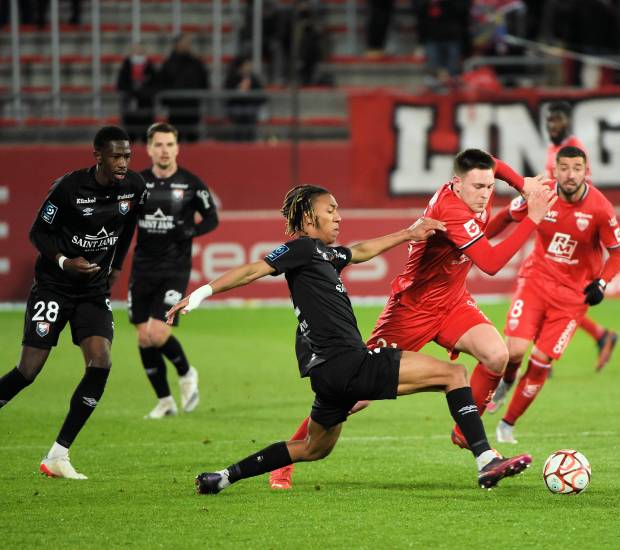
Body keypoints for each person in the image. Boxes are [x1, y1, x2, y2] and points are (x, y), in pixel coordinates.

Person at [166, 185, 534, 494]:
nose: (339, 216)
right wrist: (200, 293)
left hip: (328, 375)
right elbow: (253, 269)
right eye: (331, 210)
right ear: (310, 219)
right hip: (349, 363)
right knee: (453, 375)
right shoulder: (300, 249)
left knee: (312, 448)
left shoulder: (324, 255)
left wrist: (409, 233)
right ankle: (486, 460)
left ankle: (223, 477)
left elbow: (360, 251)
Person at [268, 149, 553, 490]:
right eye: (478, 187)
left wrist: (521, 188)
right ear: (457, 183)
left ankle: (466, 430)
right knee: (355, 395)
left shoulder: (478, 189)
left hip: (452, 301)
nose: (485, 193)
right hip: (411, 310)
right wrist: (531, 215)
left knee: (497, 355)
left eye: (490, 186)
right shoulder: (451, 208)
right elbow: (490, 263)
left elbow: (490, 168)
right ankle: (284, 463)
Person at [0, 126, 147, 479]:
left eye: (127, 155)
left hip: (93, 292)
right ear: (97, 156)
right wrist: (65, 261)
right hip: (53, 287)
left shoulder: (135, 187)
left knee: (101, 361)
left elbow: (128, 227)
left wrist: (117, 266)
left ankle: (58, 454)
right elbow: (38, 232)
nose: (123, 162)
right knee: (29, 370)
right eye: (116, 156)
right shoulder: (68, 188)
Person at [484, 145, 620, 442]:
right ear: (555, 170)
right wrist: (478, 240)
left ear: (587, 171)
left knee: (539, 362)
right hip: (536, 281)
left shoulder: (600, 208)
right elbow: (507, 217)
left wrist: (602, 282)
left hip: (572, 299)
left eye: (577, 168)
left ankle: (507, 424)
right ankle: (507, 381)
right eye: (565, 168)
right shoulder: (541, 194)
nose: (571, 174)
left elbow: (618, 254)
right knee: (515, 352)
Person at [131, 123, 219, 419]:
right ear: (149, 148)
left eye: (169, 144)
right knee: (143, 337)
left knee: (158, 332)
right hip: (142, 267)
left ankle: (186, 371)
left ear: (177, 148)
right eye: (159, 145)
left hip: (175, 269)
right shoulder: (137, 183)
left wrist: (190, 229)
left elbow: (212, 218)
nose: (164, 150)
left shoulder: (191, 184)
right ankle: (165, 401)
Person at [543, 101, 619, 373]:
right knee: (550, 291)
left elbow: (582, 191)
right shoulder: (553, 149)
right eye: (550, 120)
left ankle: (545, 354)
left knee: (559, 294)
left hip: (574, 228)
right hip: (552, 227)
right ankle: (600, 336)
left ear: (568, 122)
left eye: (558, 120)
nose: (552, 125)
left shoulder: (573, 148)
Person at [155, 34, 209, 142]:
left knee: (193, 140)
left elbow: (204, 82)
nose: (187, 46)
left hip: (192, 107)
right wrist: (167, 101)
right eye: (185, 43)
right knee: (175, 140)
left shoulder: (196, 63)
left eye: (188, 44)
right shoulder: (168, 63)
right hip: (175, 109)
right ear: (177, 45)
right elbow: (161, 83)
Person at [117, 42, 157, 143]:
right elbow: (121, 84)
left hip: (146, 107)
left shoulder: (150, 66)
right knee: (130, 137)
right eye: (135, 50)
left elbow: (156, 84)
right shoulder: (126, 66)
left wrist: (144, 93)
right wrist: (132, 93)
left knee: (146, 136)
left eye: (140, 50)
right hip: (130, 108)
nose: (138, 53)